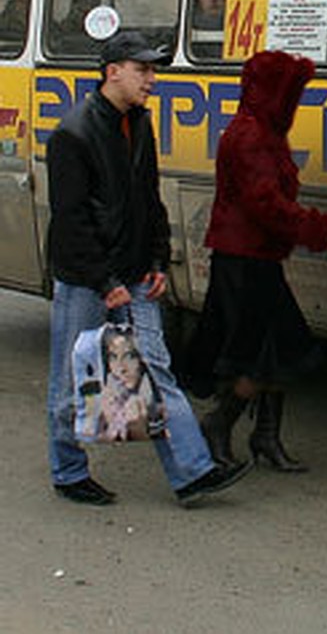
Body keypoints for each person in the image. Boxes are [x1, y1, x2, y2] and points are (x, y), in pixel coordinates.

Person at [45, 29, 250, 506]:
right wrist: (104, 282)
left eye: (153, 70)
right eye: (143, 70)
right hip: (88, 281)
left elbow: (148, 201)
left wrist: (157, 260)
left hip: (135, 272)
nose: (152, 79)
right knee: (73, 378)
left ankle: (192, 471)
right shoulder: (72, 134)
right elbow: (71, 223)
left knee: (154, 369)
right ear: (112, 71)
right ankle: (68, 470)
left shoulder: (138, 124)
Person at [185, 50, 327, 472]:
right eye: (291, 93)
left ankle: (265, 437)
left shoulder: (259, 130)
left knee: (279, 350)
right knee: (262, 354)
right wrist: (321, 230)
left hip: (252, 258)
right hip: (244, 261)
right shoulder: (253, 136)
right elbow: (267, 204)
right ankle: (220, 426)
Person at [95, 326, 165, 442]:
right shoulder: (109, 384)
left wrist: (139, 430)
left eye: (129, 357)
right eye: (113, 357)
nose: (121, 368)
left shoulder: (156, 397)